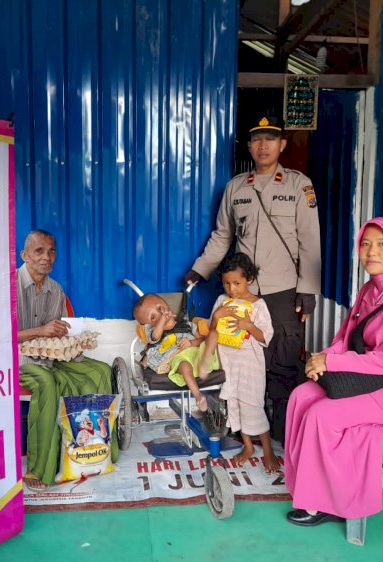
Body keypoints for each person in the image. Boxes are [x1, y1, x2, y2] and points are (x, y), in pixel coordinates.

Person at [283, 217, 383, 526]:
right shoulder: (371, 288)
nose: (372, 252)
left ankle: (331, 503)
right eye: (366, 244)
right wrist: (323, 358)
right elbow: (347, 338)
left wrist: (332, 364)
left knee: (324, 414)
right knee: (301, 396)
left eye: (382, 245)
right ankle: (307, 488)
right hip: (373, 374)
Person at [184, 114, 321, 442]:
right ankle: (245, 427)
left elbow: (310, 239)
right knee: (239, 357)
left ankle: (281, 431)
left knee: (283, 359)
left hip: (284, 290)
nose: (263, 145)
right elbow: (222, 236)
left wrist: (308, 289)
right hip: (242, 293)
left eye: (270, 139)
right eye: (257, 139)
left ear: (282, 144)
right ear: (249, 145)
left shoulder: (298, 185)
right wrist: (199, 269)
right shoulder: (235, 188)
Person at [17, 229, 117, 489]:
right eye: (38, 251)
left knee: (101, 371)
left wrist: (74, 342)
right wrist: (40, 331)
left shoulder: (55, 289)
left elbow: (59, 334)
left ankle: (99, 449)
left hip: (50, 357)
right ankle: (39, 470)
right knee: (47, 382)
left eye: (51, 251)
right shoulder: (8, 286)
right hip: (15, 359)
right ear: (24, 255)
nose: (46, 257)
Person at [204, 253, 278, 472]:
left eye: (237, 283)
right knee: (234, 404)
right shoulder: (221, 302)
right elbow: (211, 332)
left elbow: (266, 336)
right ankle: (247, 446)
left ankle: (268, 451)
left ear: (250, 280)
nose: (232, 289)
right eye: (227, 283)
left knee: (253, 406)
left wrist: (249, 326)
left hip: (250, 365)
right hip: (228, 363)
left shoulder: (258, 305)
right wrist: (217, 317)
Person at [133, 293, 220, 412]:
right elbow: (155, 336)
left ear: (167, 305)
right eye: (152, 318)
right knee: (184, 365)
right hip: (177, 356)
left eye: (160, 308)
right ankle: (198, 396)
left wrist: (193, 342)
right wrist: (162, 321)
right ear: (149, 325)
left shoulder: (187, 325)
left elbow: (201, 339)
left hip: (196, 352)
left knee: (213, 336)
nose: (159, 314)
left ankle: (205, 363)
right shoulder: (153, 331)